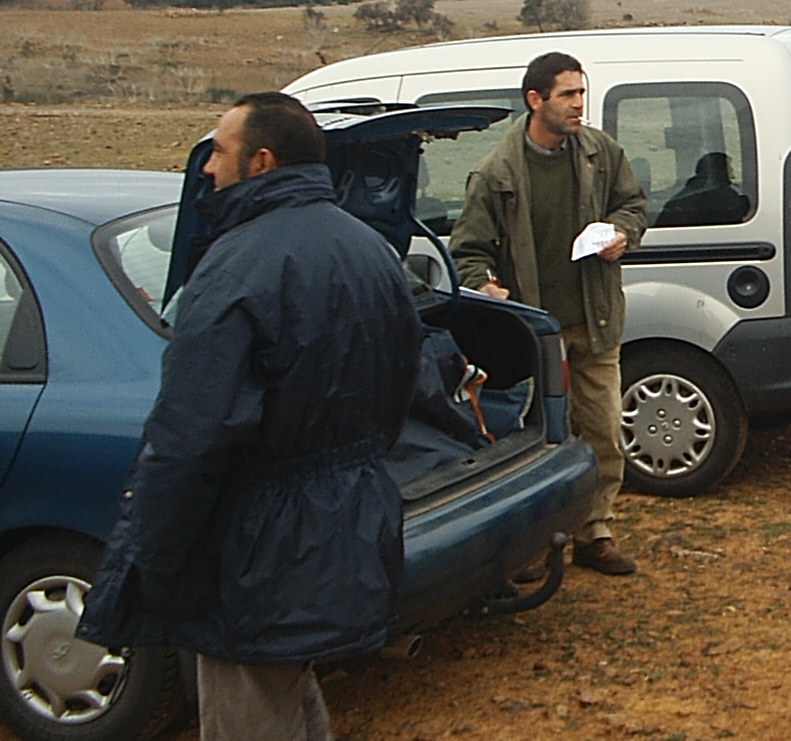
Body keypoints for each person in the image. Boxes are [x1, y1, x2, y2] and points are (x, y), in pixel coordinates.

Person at [78, 92, 425, 741]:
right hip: (347, 520)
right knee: (287, 689)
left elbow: (190, 436)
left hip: (256, 548)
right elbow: (402, 387)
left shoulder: (233, 269)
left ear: (261, 161)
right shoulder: (373, 251)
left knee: (250, 702)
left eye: (220, 150)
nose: (207, 166)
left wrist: (150, 557)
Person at [450, 51, 648, 575]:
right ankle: (535, 544)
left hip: (595, 320)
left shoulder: (599, 153)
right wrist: (484, 287)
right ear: (535, 100)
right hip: (534, 336)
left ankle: (595, 532)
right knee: (539, 441)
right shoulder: (496, 173)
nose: (579, 104)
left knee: (603, 430)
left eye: (581, 93)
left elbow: (634, 204)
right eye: (567, 94)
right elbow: (467, 252)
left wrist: (623, 233)